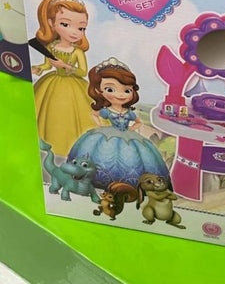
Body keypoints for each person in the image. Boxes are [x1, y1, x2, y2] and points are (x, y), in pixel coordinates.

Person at [67, 58, 170, 189]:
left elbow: (138, 122)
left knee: (138, 157)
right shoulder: (107, 111)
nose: (120, 95)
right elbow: (94, 114)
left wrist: (132, 128)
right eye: (110, 89)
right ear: (99, 91)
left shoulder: (129, 112)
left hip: (128, 134)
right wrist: (100, 125)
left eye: (127, 90)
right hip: (107, 133)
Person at [32, 0, 94, 156]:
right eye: (65, 24)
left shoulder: (77, 52)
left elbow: (83, 72)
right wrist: (39, 68)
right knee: (48, 116)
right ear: (51, 23)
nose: (74, 32)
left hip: (74, 86)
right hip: (51, 84)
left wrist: (65, 66)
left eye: (81, 28)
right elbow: (47, 65)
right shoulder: (51, 46)